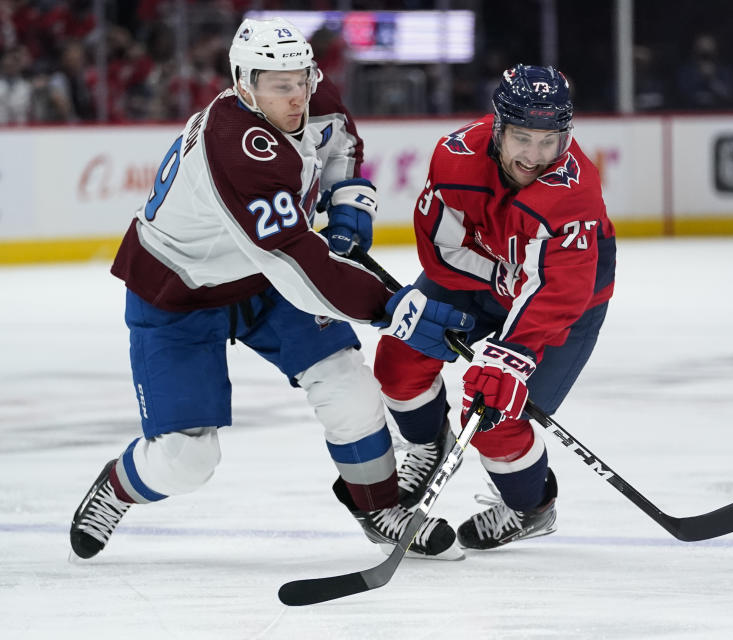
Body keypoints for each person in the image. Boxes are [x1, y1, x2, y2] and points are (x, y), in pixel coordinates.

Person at [69, 17, 472, 563]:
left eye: (301, 79)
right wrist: (389, 307)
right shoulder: (235, 144)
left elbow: (340, 143)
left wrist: (348, 197)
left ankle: (380, 506)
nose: (296, 94)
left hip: (259, 276)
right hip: (180, 289)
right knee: (187, 460)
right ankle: (117, 486)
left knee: (345, 381)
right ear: (243, 84)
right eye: (279, 84)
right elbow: (301, 266)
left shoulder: (308, 89)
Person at [373, 64, 616, 549]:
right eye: (523, 138)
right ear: (499, 127)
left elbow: (558, 287)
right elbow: (441, 249)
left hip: (565, 301)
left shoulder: (573, 189)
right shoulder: (455, 156)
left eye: (550, 140)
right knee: (398, 359)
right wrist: (499, 279)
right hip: (477, 275)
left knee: (495, 417)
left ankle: (531, 507)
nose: (535, 156)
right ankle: (427, 443)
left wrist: (513, 354)